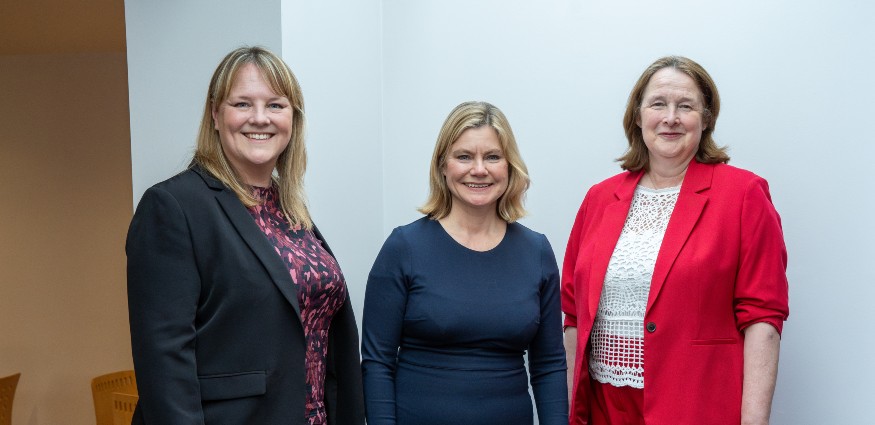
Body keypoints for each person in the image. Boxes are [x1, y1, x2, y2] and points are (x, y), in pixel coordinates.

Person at [126, 46, 365, 425]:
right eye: (242, 104)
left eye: (275, 105)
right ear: (216, 115)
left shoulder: (289, 211)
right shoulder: (174, 206)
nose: (260, 118)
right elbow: (165, 363)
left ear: (293, 118)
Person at [562, 56, 790, 425]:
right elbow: (573, 315)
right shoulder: (599, 199)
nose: (671, 117)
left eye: (685, 106)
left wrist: (754, 421)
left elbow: (763, 317)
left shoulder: (743, 194)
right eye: (658, 104)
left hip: (695, 405)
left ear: (706, 118)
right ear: (638, 116)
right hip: (604, 406)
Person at [361, 101, 568, 425]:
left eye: (493, 156)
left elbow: (550, 365)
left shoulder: (536, 251)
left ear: (509, 166)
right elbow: (377, 362)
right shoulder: (404, 247)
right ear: (443, 166)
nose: (479, 169)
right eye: (464, 156)